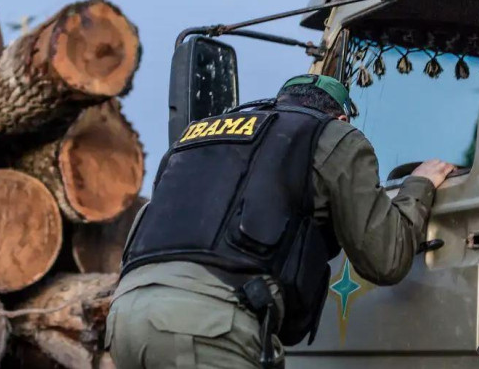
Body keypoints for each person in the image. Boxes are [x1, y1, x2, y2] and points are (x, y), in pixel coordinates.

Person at [106, 74, 455, 368]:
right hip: (206, 326)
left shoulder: (196, 137)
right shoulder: (332, 134)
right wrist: (420, 184)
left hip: (124, 318)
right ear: (341, 120)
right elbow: (386, 259)